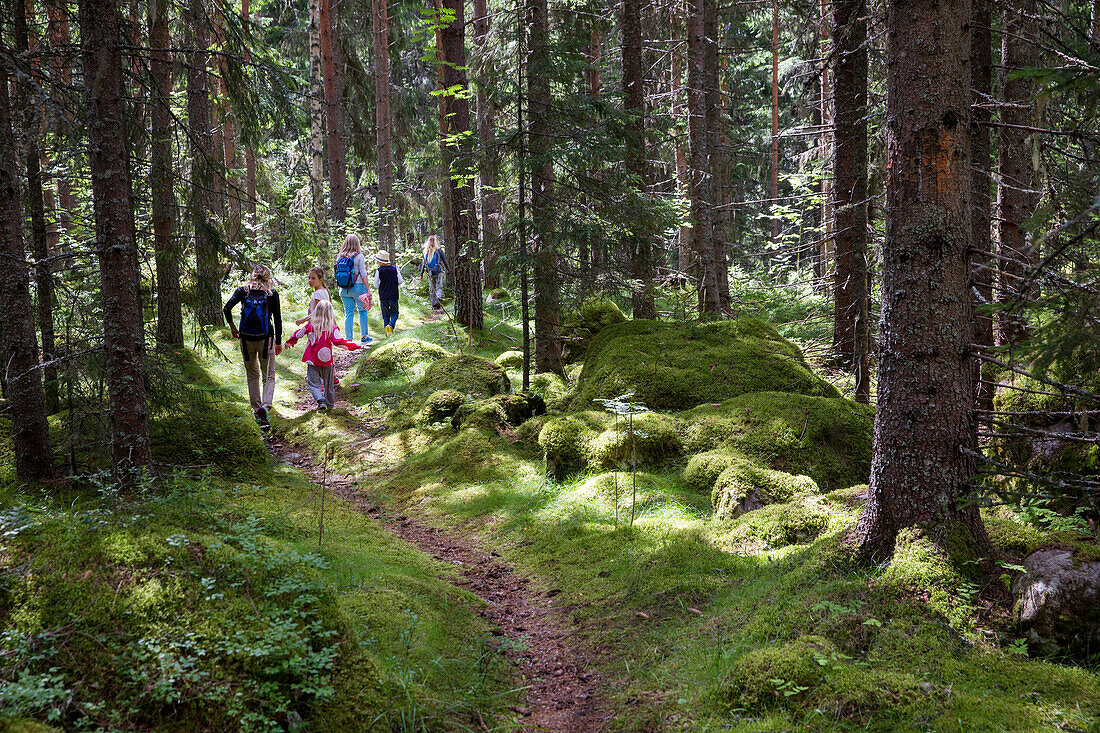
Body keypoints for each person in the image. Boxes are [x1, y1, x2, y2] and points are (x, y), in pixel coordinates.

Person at [224, 265, 283, 428]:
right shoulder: (272, 294)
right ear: (268, 277)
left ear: (252, 275)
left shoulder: (242, 291)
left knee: (252, 375)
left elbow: (227, 308)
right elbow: (277, 319)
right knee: (268, 376)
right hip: (266, 339)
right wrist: (278, 342)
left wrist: (233, 327)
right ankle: (265, 406)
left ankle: (257, 410)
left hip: (246, 338)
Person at [283, 299, 360, 410]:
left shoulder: (310, 325)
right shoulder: (331, 327)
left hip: (312, 359)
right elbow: (338, 341)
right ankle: (330, 405)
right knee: (329, 385)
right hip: (326, 360)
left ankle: (320, 400)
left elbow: (298, 334)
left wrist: (289, 342)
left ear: (316, 311)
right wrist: (353, 346)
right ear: (330, 313)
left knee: (313, 383)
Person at [334, 234, 372, 344]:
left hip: (344, 289)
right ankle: (364, 337)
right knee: (362, 311)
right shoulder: (359, 257)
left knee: (348, 313)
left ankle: (349, 339)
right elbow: (363, 274)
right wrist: (368, 289)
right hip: (358, 287)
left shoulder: (340, 256)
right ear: (357, 244)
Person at [373, 249, 404, 335]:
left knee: (385, 314)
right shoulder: (394, 269)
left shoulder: (379, 271)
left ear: (380, 262)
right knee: (394, 313)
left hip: (383, 295)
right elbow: (401, 281)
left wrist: (382, 286)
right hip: (393, 294)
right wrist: (394, 284)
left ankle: (388, 332)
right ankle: (390, 325)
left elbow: (375, 284)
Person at [419, 234, 447, 310]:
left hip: (430, 273)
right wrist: (448, 269)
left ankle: (433, 305)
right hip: (438, 271)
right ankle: (437, 301)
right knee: (439, 286)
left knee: (432, 289)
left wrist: (421, 274)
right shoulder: (439, 251)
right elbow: (445, 261)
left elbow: (424, 264)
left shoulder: (426, 252)